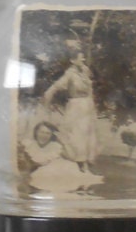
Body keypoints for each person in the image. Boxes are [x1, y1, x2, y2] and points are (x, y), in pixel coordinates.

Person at [41, 42, 98, 173]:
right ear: (73, 60)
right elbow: (57, 85)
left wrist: (92, 105)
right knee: (77, 135)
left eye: (83, 57)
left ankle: (86, 164)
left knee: (88, 134)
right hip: (76, 106)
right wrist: (48, 93)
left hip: (87, 105)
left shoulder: (85, 70)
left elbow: (90, 90)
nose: (83, 59)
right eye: (80, 58)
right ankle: (80, 164)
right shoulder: (70, 74)